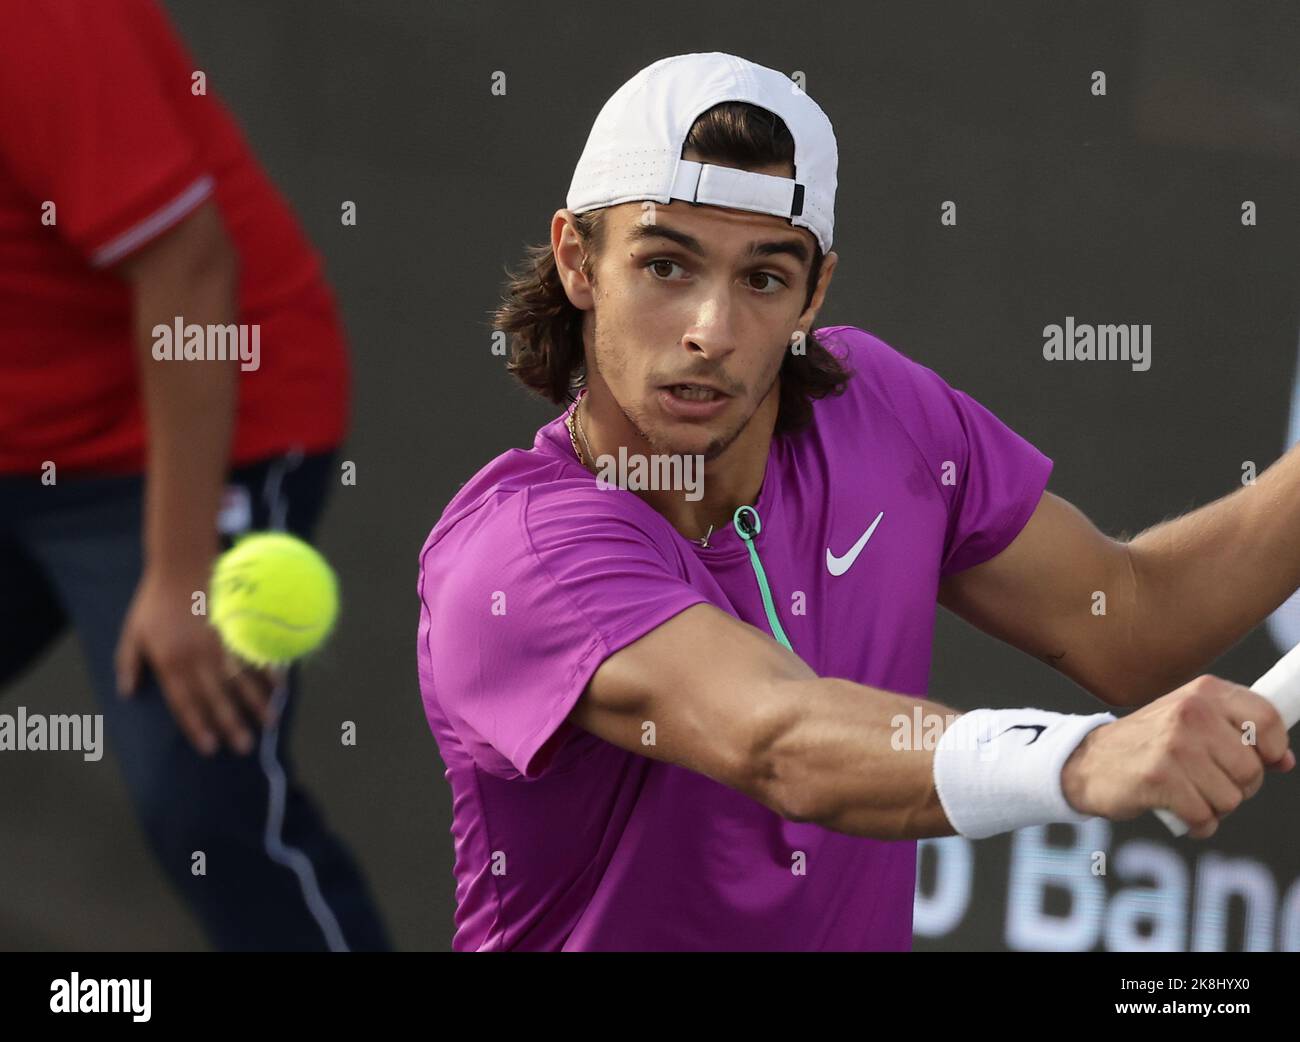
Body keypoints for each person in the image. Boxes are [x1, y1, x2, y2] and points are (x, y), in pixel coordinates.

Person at [416, 52, 1297, 951]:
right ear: (577, 260)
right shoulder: (518, 556)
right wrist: (1084, 756)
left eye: (762, 279)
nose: (710, 332)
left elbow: (1133, 617)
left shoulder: (877, 409)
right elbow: (780, 739)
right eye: (666, 267)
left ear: (812, 295)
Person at [0, 0, 390, 951]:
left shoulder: (41, 27)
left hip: (206, 423)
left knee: (202, 804)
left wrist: (178, 576)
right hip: (20, 438)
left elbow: (189, 269)